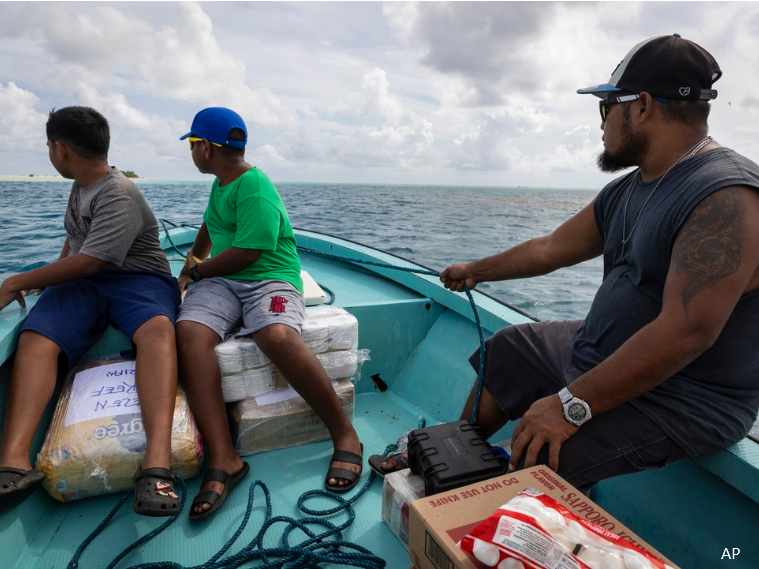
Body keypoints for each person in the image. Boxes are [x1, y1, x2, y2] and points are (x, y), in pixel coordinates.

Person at [372, 34, 759, 493]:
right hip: (599, 348)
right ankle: (459, 455)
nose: (600, 123)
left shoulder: (726, 198)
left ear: (643, 106)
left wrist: (570, 404)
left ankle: (500, 499)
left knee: (545, 451)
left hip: (686, 395)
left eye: (605, 106)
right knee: (509, 350)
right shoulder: (631, 187)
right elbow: (551, 248)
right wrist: (477, 269)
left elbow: (686, 332)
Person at [175, 107, 363, 520]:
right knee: (189, 334)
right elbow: (209, 228)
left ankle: (345, 435)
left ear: (204, 147)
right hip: (223, 281)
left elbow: (250, 251)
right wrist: (187, 273)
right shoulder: (221, 183)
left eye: (192, 144)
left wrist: (198, 271)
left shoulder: (254, 185)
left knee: (276, 336)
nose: (192, 152)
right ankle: (225, 459)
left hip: (268, 278)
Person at [0, 107, 181, 515]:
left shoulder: (118, 191)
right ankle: (12, 462)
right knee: (37, 335)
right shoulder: (81, 184)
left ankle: (156, 463)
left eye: (49, 145)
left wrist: (12, 281)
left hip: (138, 278)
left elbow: (91, 260)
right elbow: (75, 244)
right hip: (87, 280)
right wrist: (46, 277)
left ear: (60, 149)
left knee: (157, 330)